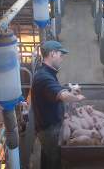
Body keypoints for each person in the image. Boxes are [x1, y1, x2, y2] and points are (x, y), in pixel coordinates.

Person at [31, 41, 85, 169]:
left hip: (46, 125)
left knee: (47, 155)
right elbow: (63, 96)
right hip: (49, 129)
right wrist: (77, 98)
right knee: (54, 160)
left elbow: (54, 92)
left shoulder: (46, 73)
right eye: (61, 55)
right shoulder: (44, 77)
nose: (62, 58)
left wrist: (69, 91)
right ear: (52, 54)